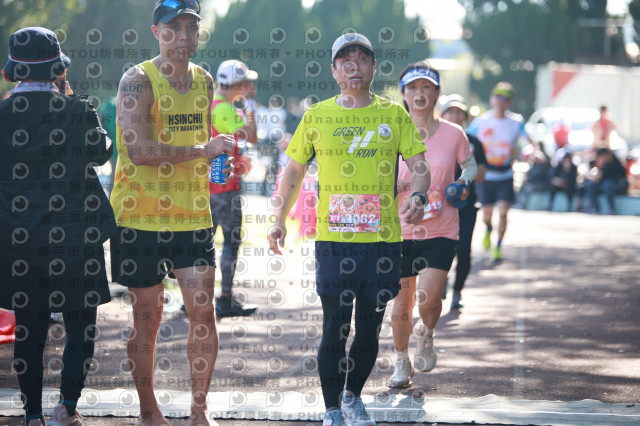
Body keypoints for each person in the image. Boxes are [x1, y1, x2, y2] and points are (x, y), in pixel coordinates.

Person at [268, 33, 430, 426]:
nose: (354, 66)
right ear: (334, 70)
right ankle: (331, 410)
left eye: (362, 59)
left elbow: (420, 166)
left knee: (370, 328)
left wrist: (419, 196)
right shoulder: (317, 115)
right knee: (335, 326)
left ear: (373, 67)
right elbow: (293, 171)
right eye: (346, 60)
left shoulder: (394, 115)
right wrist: (278, 218)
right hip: (334, 242)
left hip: (382, 241)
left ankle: (352, 397)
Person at [109, 1, 235, 425]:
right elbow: (139, 151)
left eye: (191, 27)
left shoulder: (204, 81)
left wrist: (218, 160)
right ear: (156, 32)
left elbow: (200, 141)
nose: (183, 36)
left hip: (192, 216)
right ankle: (149, 411)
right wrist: (203, 150)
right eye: (173, 27)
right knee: (148, 318)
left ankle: (200, 412)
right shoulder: (137, 80)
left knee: (203, 314)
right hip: (138, 217)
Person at [0, 27, 116, 425]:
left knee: (29, 329)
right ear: (57, 69)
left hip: (19, 240)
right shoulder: (76, 110)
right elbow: (101, 152)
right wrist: (72, 99)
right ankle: (67, 406)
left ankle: (32, 414)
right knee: (80, 325)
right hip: (75, 238)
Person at [387, 65, 477, 389]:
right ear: (404, 94)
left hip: (441, 228)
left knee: (429, 299)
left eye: (427, 87)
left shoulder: (454, 133)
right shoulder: (391, 131)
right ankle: (401, 360)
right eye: (413, 88)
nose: (420, 94)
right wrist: (392, 184)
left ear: (437, 93)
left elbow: (470, 165)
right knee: (402, 302)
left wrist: (463, 182)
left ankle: (426, 333)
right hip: (399, 228)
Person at [208, 59, 259, 318]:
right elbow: (253, 135)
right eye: (246, 82)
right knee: (230, 242)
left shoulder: (212, 104)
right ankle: (224, 298)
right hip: (224, 186)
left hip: (211, 185)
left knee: (204, 243)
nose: (249, 87)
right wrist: (249, 107)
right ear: (238, 84)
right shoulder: (225, 109)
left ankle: (196, 297)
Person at [467, 82, 532, 261]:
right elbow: (466, 139)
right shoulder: (481, 121)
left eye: (505, 98)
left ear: (510, 102)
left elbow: (527, 141)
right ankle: (488, 229)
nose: (501, 101)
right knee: (486, 214)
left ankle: (498, 246)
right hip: (486, 175)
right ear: (491, 99)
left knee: (503, 212)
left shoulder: (516, 122)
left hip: (505, 175)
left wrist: (533, 152)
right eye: (498, 96)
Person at [440, 94, 487, 310]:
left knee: (464, 250)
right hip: (439, 204)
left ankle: (457, 292)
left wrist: (468, 162)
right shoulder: (433, 139)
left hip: (466, 206)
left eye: (460, 112)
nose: (455, 116)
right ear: (442, 115)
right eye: (451, 111)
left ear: (466, 117)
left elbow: (482, 176)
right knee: (440, 248)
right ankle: (440, 282)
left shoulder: (474, 142)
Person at [586, 148, 627, 214]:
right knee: (591, 185)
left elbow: (620, 176)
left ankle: (611, 208)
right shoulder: (603, 164)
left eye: (603, 156)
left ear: (608, 155)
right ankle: (595, 207)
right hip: (604, 185)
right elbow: (599, 178)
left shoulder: (616, 163)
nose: (602, 158)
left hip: (615, 186)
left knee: (608, 184)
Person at [515, 142, 551, 209]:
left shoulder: (545, 160)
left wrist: (529, 179)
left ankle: (522, 205)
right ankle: (518, 203)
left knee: (527, 188)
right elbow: (530, 172)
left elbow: (539, 174)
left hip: (542, 184)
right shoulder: (535, 161)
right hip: (533, 182)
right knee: (523, 186)